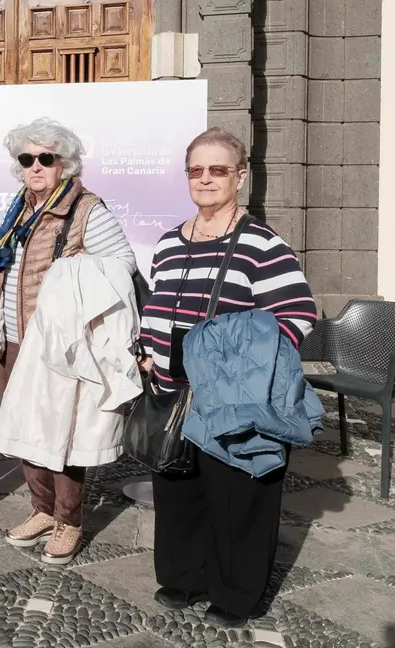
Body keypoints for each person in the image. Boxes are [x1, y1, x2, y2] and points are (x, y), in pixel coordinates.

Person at [139, 127, 316, 628]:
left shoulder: (261, 243)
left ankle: (236, 592)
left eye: (218, 169)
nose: (206, 179)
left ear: (241, 177)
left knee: (238, 496)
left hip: (232, 399)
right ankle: (184, 575)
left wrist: (240, 367)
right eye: (196, 170)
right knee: (180, 487)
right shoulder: (170, 242)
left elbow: (297, 314)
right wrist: (146, 350)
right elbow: (156, 305)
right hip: (174, 391)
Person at [0, 118, 136, 564]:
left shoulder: (87, 210)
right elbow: (1, 276)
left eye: (45, 158)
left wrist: (69, 274)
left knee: (64, 437)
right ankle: (42, 510)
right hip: (15, 339)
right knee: (27, 434)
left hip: (59, 348)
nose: (35, 166)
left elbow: (123, 265)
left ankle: (69, 519)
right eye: (26, 159)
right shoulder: (19, 209)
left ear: (64, 163)